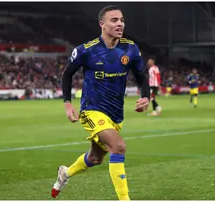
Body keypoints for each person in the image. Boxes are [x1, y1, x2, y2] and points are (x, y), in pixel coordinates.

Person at [52, 5, 150, 200]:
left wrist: (146, 96)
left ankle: (65, 173)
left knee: (95, 158)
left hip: (115, 114)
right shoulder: (86, 50)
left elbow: (142, 78)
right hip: (91, 110)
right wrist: (67, 104)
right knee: (119, 147)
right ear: (102, 24)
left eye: (121, 20)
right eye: (114, 20)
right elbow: (67, 75)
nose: (120, 23)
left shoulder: (130, 49)